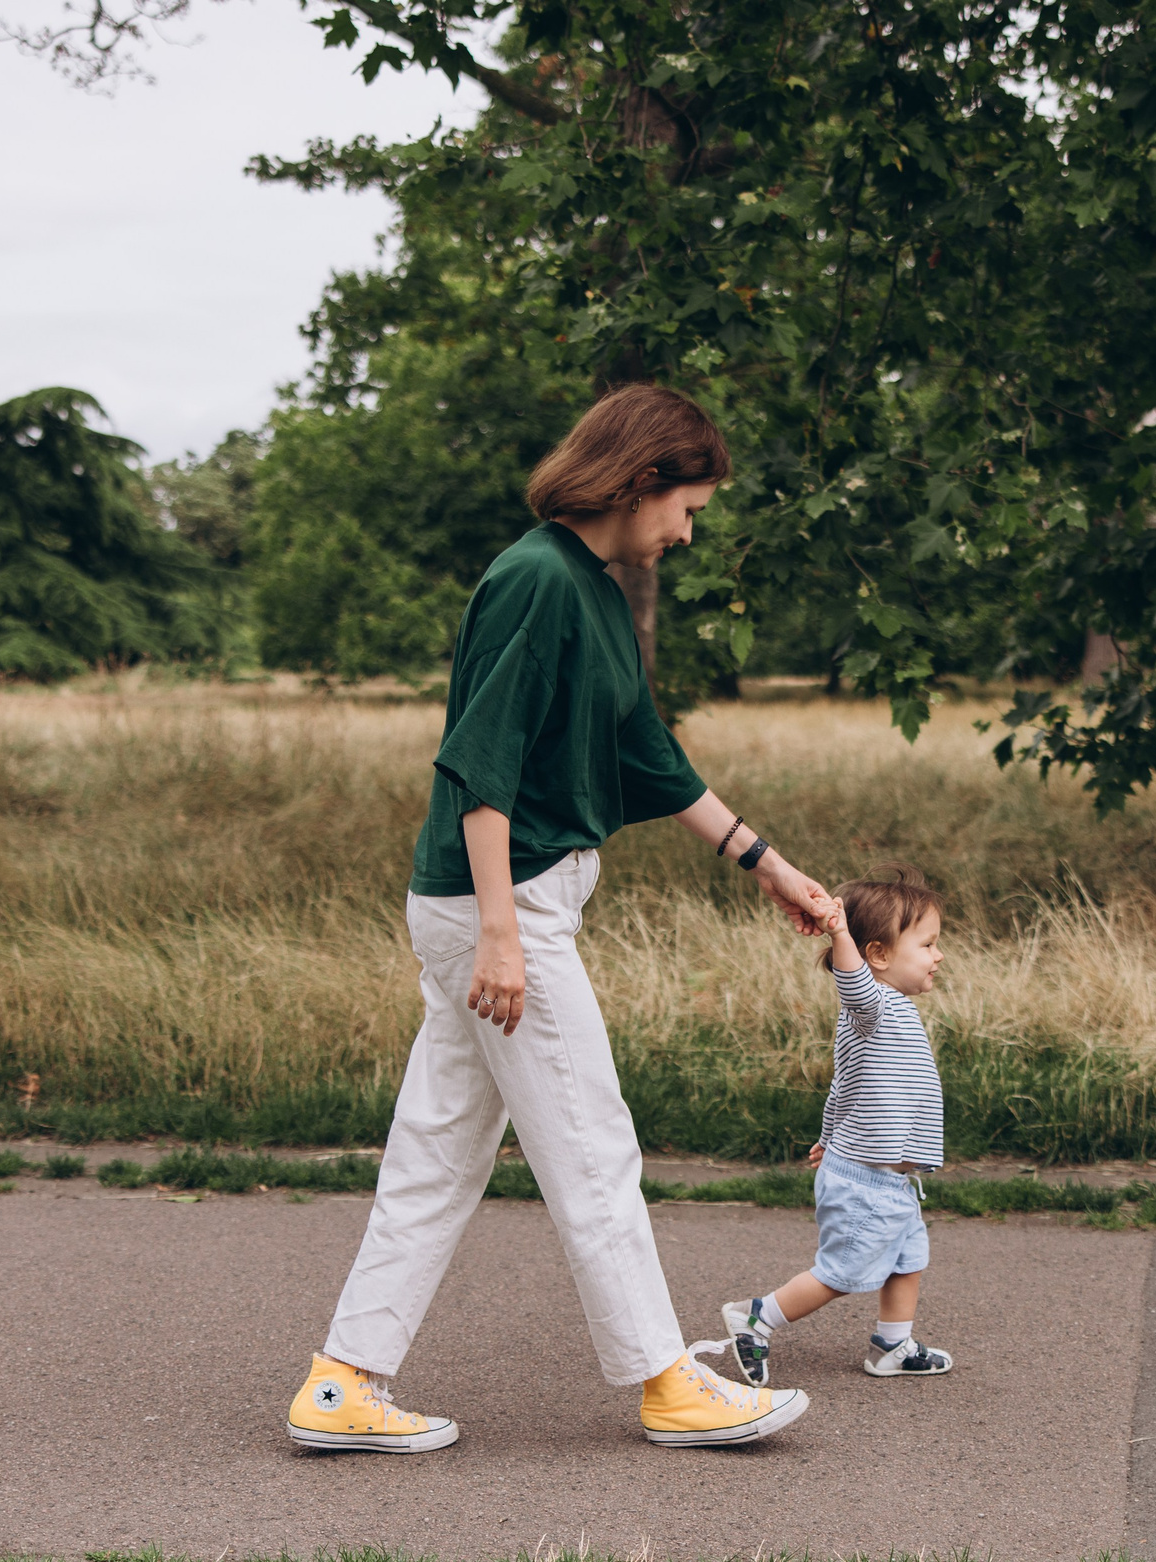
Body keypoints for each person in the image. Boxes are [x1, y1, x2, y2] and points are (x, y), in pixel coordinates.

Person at [284, 384, 831, 1453]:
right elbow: (481, 760)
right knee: (589, 1140)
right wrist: (499, 931)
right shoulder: (536, 580)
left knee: (439, 1152)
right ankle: (669, 1382)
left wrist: (764, 863)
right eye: (689, 507)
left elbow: (642, 749)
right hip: (506, 899)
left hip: (504, 898)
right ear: (642, 480)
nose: (687, 530)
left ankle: (341, 1383)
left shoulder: (590, 585)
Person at [721, 867, 956, 1384]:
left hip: (891, 1180)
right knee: (842, 1272)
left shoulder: (894, 1013)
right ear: (879, 955)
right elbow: (853, 981)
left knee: (907, 1260)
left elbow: (845, 1086)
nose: (938, 955)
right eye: (927, 944)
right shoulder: (871, 1006)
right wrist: (839, 933)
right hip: (868, 1184)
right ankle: (756, 1318)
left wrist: (829, 1137)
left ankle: (891, 1347)